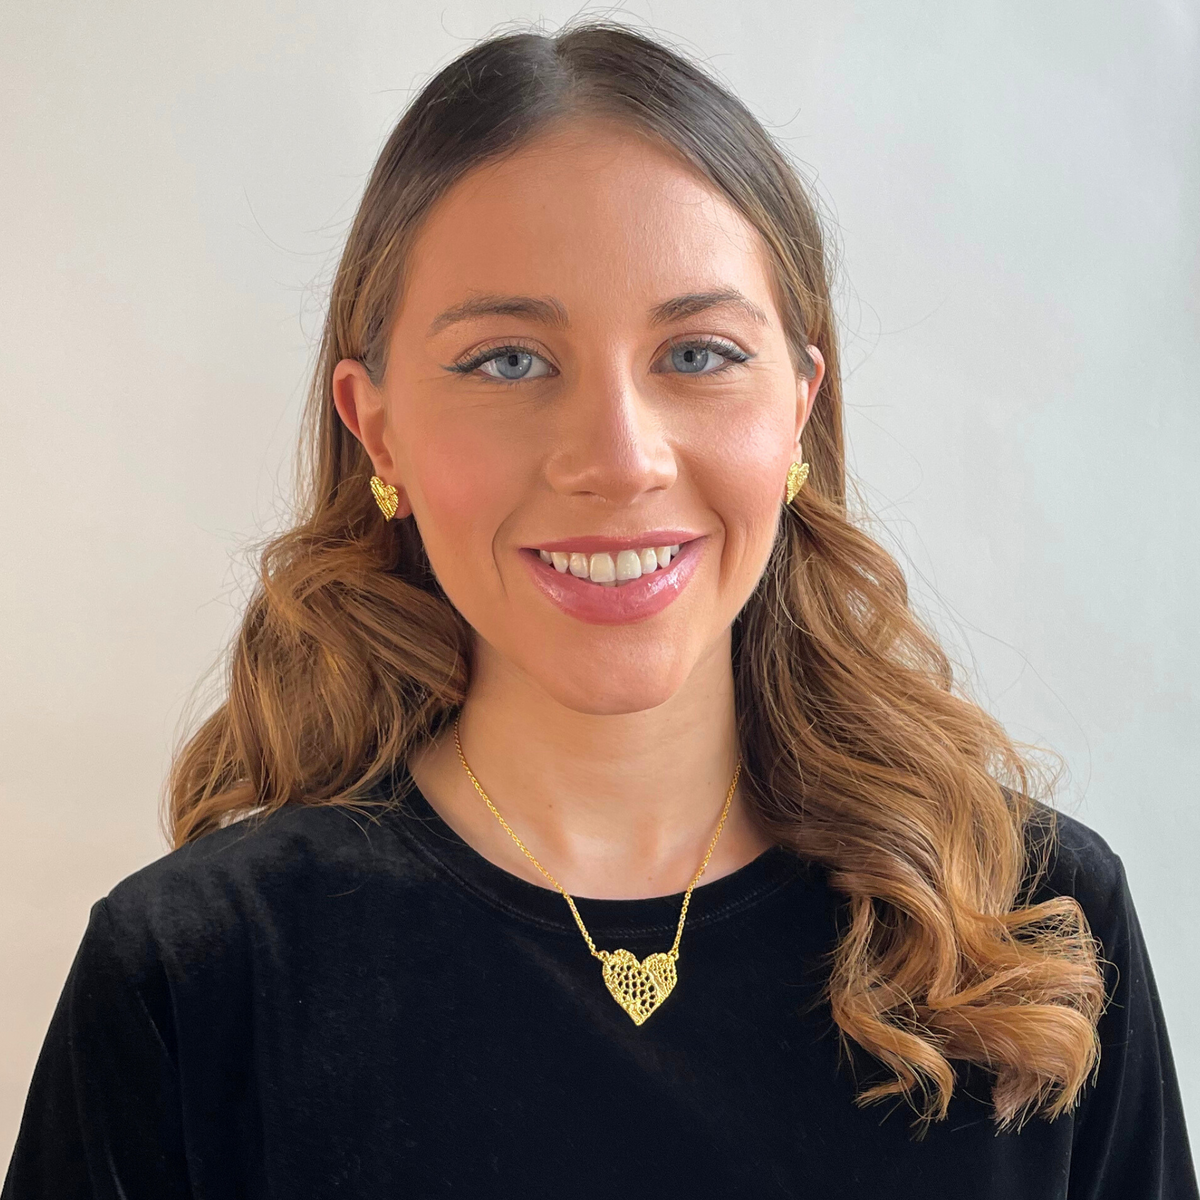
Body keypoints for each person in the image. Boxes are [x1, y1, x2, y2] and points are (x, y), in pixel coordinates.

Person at [4, 20, 1196, 1200]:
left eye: (698, 355)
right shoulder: (192, 977)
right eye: (509, 361)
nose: (619, 460)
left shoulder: (1036, 923)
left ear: (798, 411)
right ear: (379, 430)